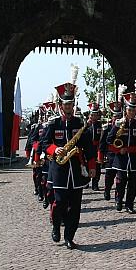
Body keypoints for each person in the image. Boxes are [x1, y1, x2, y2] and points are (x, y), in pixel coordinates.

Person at [41, 73, 95, 250]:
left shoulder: (80, 124)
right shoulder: (53, 123)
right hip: (59, 170)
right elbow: (44, 144)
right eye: (66, 104)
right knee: (59, 203)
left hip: (76, 171)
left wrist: (92, 166)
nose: (68, 107)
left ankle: (69, 237)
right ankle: (56, 225)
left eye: (71, 104)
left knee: (76, 207)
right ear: (60, 105)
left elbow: (89, 148)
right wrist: (54, 149)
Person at [106, 88, 136, 213]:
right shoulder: (119, 123)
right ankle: (118, 200)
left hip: (133, 157)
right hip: (121, 157)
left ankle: (130, 204)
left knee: (133, 182)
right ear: (126, 110)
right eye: (129, 110)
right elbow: (109, 140)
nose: (131, 112)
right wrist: (118, 149)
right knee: (120, 181)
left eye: (133, 110)